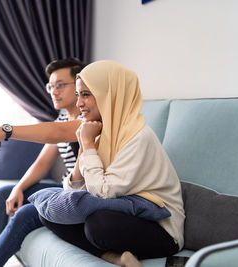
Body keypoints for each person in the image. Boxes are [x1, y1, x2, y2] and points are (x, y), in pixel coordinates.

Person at [38, 60, 185, 267]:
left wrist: (87, 144)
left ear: (109, 95)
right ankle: (113, 256)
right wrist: (84, 146)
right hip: (121, 212)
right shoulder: (100, 131)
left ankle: (109, 253)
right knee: (50, 212)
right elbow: (73, 190)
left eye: (86, 95)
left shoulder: (138, 136)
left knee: (99, 224)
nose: (79, 103)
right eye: (79, 95)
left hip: (160, 228)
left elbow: (103, 192)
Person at [0, 58, 85, 267]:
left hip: (80, 193)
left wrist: (5, 131)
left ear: (80, 85)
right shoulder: (62, 118)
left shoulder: (86, 119)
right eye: (51, 86)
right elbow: (42, 163)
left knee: (25, 213)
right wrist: (19, 188)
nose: (54, 91)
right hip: (65, 186)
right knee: (2, 195)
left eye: (61, 85)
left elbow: (56, 133)